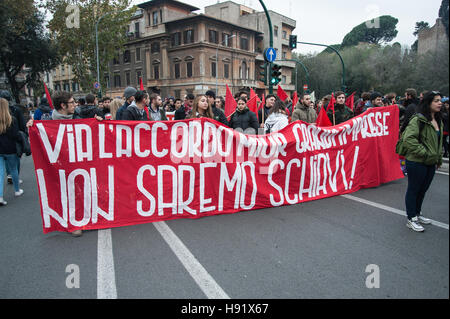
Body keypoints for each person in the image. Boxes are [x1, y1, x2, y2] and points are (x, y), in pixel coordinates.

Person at [26, 91, 87, 236]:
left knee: (80, 190)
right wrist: (32, 126)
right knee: (65, 192)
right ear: (63, 105)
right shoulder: (47, 120)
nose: (75, 105)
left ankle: (84, 219)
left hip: (78, 162)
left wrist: (98, 122)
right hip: (58, 164)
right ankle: (73, 224)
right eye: (72, 102)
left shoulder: (79, 117)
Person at [401, 91, 444, 232]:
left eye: (440, 100)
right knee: (414, 189)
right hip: (416, 161)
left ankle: (418, 214)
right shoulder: (418, 120)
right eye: (436, 100)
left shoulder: (438, 119)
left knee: (423, 189)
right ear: (428, 103)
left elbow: (438, 142)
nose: (440, 103)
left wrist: (438, 159)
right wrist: (424, 154)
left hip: (431, 162)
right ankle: (411, 218)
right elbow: (408, 140)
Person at [0, 98, 24, 206]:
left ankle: (0, 197)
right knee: (13, 169)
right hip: (10, 149)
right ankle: (17, 190)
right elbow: (16, 135)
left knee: (0, 173)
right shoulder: (12, 120)